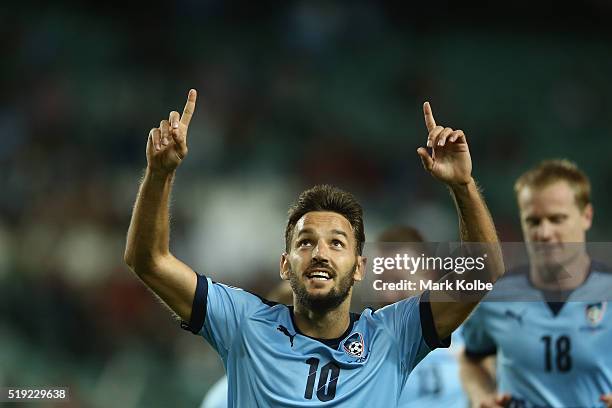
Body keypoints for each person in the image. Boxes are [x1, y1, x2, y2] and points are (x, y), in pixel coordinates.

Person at [124, 89, 504, 407]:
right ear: (285, 265)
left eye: (337, 243)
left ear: (359, 267)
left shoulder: (393, 336)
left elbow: (482, 273)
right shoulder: (243, 324)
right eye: (306, 243)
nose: (320, 253)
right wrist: (160, 174)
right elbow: (149, 261)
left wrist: (463, 186)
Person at [459, 159, 612, 408]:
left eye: (557, 219)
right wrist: (480, 396)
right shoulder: (497, 297)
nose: (544, 232)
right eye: (533, 221)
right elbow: (471, 360)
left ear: (586, 216)